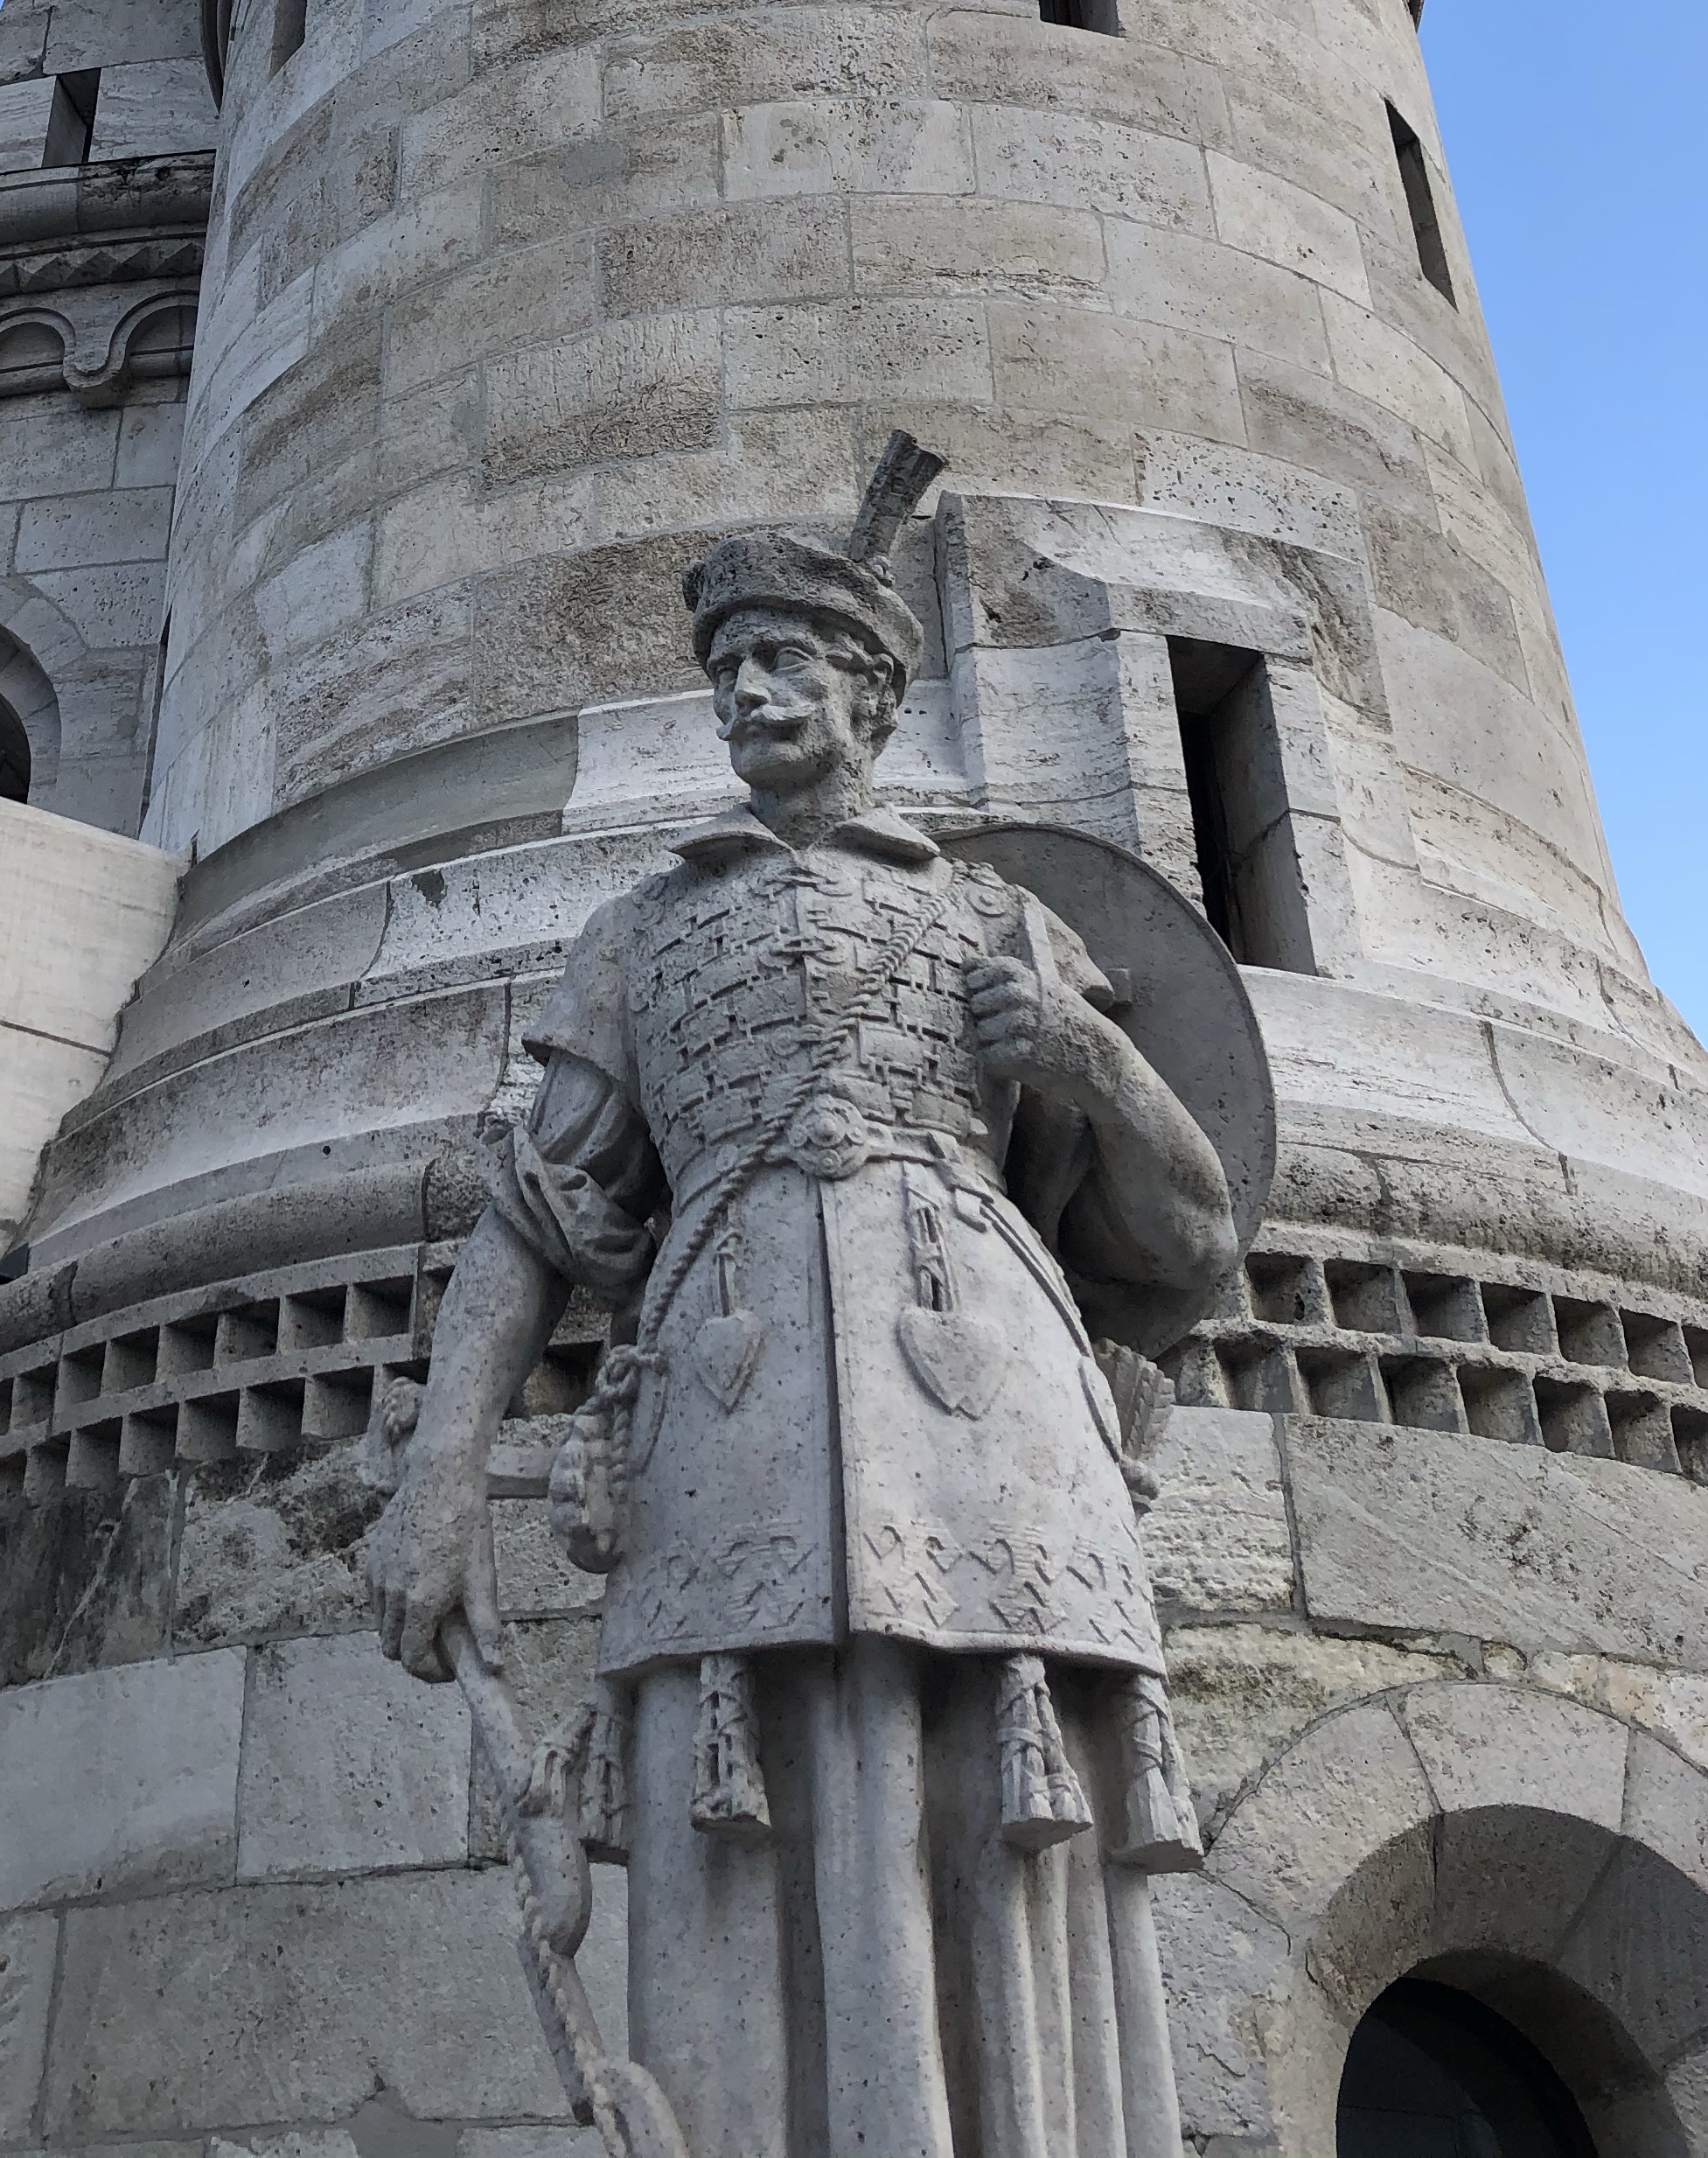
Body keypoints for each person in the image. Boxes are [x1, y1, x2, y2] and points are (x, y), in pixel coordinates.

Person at [366, 465, 1239, 2158]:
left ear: (873, 697)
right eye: (727, 670)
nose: (748, 695)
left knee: (990, 1792)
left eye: (783, 662)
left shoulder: (1008, 921)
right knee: (741, 1788)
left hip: (980, 1395)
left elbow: (1191, 1231)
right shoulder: (638, 934)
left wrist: (1093, 1062)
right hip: (727, 1389)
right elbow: (535, 1213)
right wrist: (440, 1472)